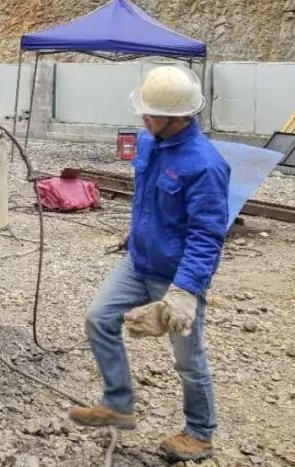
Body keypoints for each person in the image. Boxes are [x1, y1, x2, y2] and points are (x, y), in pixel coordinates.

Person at [69, 65, 230, 464]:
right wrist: (137, 236)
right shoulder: (148, 142)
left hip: (175, 276)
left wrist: (186, 290)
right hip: (139, 263)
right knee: (99, 318)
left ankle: (200, 433)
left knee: (187, 358)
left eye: (152, 113)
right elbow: (148, 202)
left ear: (179, 118)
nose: (143, 117)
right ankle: (119, 403)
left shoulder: (205, 165)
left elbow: (207, 234)